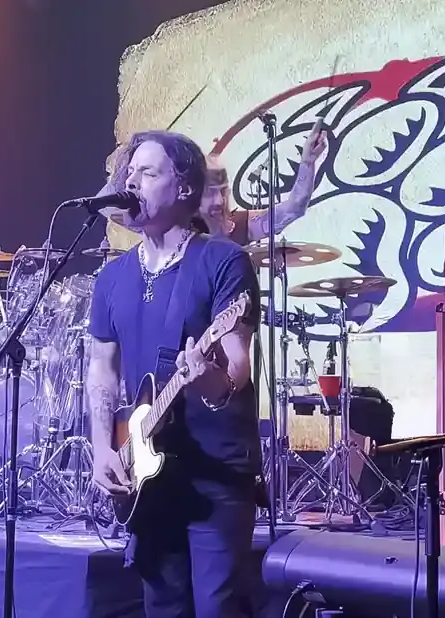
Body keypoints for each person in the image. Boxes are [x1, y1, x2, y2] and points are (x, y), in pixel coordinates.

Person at [87, 130, 262, 618]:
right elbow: (101, 368)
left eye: (148, 172)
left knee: (216, 609)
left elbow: (237, 369)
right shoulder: (112, 277)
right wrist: (103, 447)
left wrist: (204, 376)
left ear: (184, 188)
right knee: (162, 608)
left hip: (216, 477)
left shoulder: (223, 260)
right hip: (148, 472)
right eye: (130, 173)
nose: (133, 181)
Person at [103, 121, 327, 251]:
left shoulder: (239, 226)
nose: (220, 200)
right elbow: (107, 205)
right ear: (187, 192)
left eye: (223, 190)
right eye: (211, 193)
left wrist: (307, 162)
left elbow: (294, 207)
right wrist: (127, 162)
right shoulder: (164, 225)